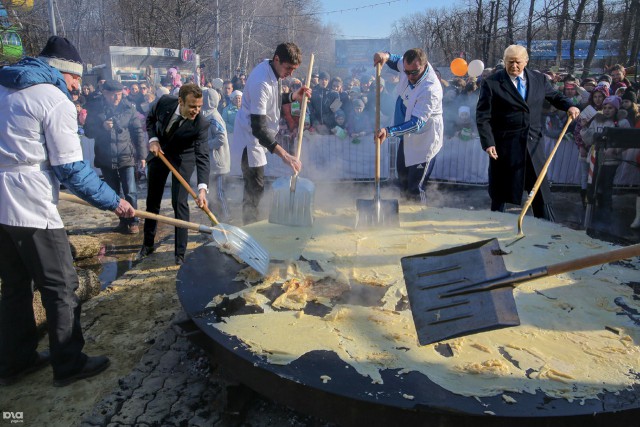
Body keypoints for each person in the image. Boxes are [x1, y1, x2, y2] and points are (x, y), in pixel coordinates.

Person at [0, 36, 135, 387]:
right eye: (76, 78)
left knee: (14, 286)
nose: (78, 86)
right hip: (30, 206)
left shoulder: (4, 86)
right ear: (63, 71)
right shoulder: (53, 98)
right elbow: (72, 169)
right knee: (61, 285)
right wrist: (114, 201)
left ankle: (15, 360)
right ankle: (69, 362)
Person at [476, 44, 580, 219]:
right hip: (505, 145)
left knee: (539, 188)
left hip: (533, 143)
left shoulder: (539, 79)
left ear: (526, 61)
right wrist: (488, 142)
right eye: (509, 62)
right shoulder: (492, 83)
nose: (514, 66)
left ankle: (547, 226)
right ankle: (495, 224)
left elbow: (554, 96)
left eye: (517, 62)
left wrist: (569, 106)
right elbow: (483, 116)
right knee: (501, 190)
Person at [234, 42, 311, 224]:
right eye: (288, 68)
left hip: (258, 138)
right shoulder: (261, 82)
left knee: (257, 187)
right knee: (254, 187)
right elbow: (258, 128)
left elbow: (273, 100)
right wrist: (285, 155)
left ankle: (252, 222)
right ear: (277, 59)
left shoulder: (273, 70)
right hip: (250, 139)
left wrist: (293, 97)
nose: (291, 73)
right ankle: (250, 227)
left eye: (294, 69)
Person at [140, 83, 210, 265]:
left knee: (179, 203)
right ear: (180, 101)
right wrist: (153, 139)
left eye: (199, 106)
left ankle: (180, 254)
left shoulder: (201, 123)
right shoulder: (164, 102)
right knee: (152, 201)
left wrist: (202, 189)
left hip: (182, 159)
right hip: (159, 153)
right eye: (192, 106)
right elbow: (150, 118)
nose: (196, 111)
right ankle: (147, 244)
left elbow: (202, 155)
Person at [374, 48, 444, 203]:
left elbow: (416, 123)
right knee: (403, 181)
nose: (409, 76)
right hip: (406, 139)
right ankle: (404, 215)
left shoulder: (430, 89)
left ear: (424, 66)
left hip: (425, 141)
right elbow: (396, 60)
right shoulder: (408, 68)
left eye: (414, 73)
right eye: (406, 72)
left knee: (415, 187)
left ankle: (418, 219)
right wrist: (386, 56)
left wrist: (389, 131)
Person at [84, 80, 146, 234]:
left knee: (130, 191)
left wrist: (142, 155)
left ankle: (133, 221)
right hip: (106, 157)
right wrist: (102, 127)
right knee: (113, 193)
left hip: (126, 155)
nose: (117, 98)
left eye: (119, 95)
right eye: (114, 95)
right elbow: (88, 132)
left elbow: (138, 132)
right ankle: (122, 221)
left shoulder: (128, 108)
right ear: (105, 93)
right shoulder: (95, 108)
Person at [201, 88, 231, 221]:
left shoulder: (214, 117)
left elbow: (221, 139)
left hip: (218, 163)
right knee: (211, 194)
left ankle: (226, 218)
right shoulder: (205, 115)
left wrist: (205, 145)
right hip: (210, 163)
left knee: (218, 193)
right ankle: (215, 219)